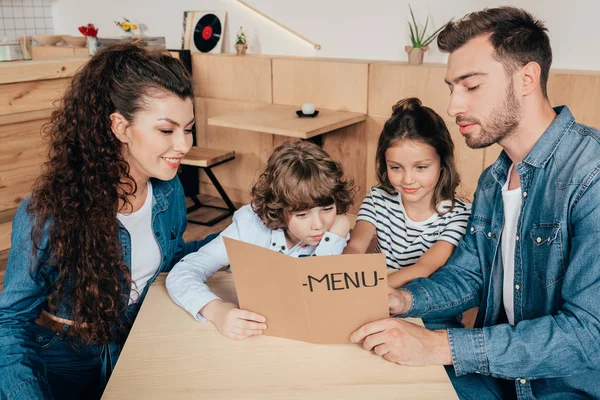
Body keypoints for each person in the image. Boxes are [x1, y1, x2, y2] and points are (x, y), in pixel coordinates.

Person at [350, 7, 600, 399]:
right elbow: (469, 276)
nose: (453, 106)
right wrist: (404, 298)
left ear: (527, 78)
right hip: (492, 375)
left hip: (563, 389)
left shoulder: (593, 176)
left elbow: (589, 336)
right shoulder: (493, 180)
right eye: (452, 87)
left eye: (471, 86)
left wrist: (438, 347)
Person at [0, 43, 216, 399]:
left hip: (140, 338)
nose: (184, 145)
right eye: (166, 130)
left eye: (189, 128)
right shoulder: (51, 211)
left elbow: (171, 261)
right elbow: (9, 323)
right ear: (119, 126)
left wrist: (248, 233)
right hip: (66, 360)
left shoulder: (167, 190)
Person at [167, 140, 356, 340]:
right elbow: (183, 273)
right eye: (302, 215)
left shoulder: (333, 231)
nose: (318, 225)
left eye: (327, 209)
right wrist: (216, 311)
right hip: (248, 332)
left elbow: (322, 296)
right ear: (279, 209)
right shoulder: (249, 228)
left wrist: (334, 239)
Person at [344, 97, 471, 290]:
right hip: (378, 297)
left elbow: (425, 267)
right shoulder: (377, 199)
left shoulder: (458, 214)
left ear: (442, 163)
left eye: (420, 167)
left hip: (428, 306)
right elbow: (355, 247)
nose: (408, 179)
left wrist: (372, 290)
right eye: (396, 167)